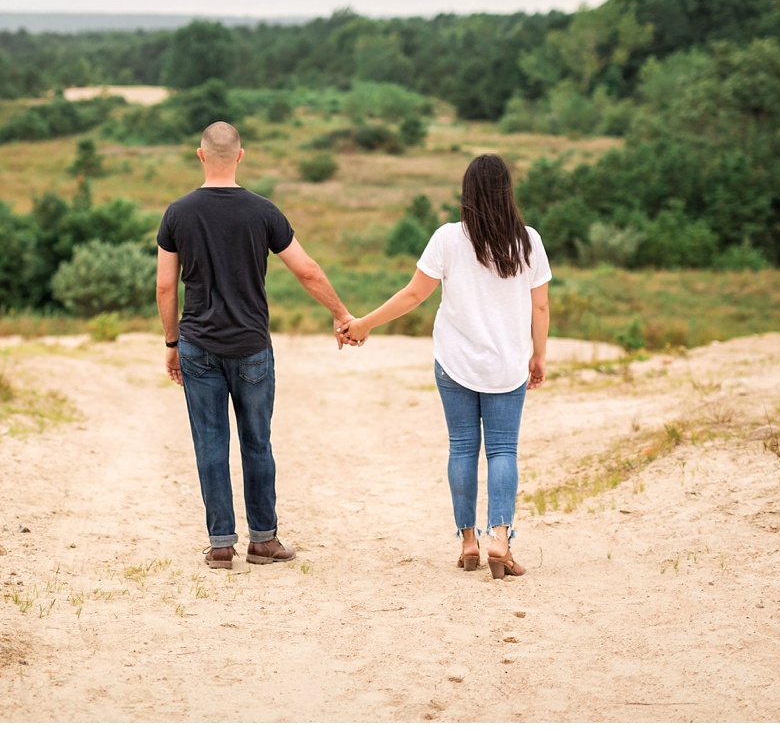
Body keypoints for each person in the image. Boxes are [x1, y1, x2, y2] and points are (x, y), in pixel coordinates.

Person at [340, 154, 550, 580]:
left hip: (454, 363)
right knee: (503, 450)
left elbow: (413, 295)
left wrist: (362, 323)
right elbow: (540, 306)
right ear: (507, 192)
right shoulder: (527, 241)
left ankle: (469, 542)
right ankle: (501, 540)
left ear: (467, 193)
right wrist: (538, 355)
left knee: (462, 448)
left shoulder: (448, 239)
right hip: (506, 365)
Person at [156, 121, 356, 569]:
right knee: (256, 443)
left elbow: (166, 288)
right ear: (240, 156)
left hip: (198, 346)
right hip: (251, 347)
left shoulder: (177, 214)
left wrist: (172, 342)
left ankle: (221, 544)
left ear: (201, 155)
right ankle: (264, 541)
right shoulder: (264, 212)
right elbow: (306, 270)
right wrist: (341, 314)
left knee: (210, 444)